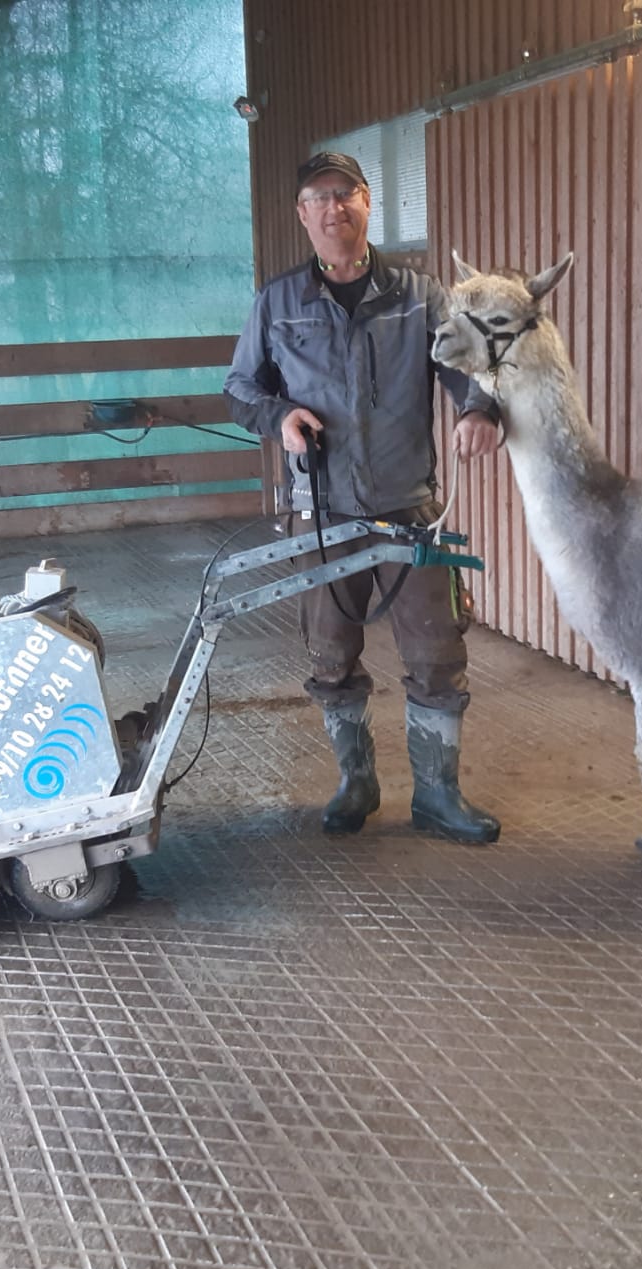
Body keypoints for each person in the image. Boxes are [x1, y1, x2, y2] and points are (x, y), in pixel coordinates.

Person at [225, 152, 505, 844]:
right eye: (318, 196)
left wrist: (477, 412)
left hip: (410, 509)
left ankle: (438, 796)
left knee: (438, 653)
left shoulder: (419, 294)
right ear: (303, 213)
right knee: (330, 654)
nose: (332, 208)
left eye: (344, 194)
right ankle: (356, 783)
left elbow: (466, 368)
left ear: (366, 203)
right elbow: (240, 389)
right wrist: (279, 416)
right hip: (321, 512)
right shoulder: (277, 303)